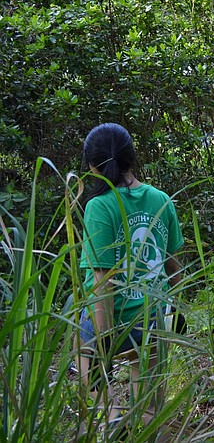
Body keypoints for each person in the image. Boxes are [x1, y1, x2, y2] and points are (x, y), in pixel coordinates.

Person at [77, 123, 184, 427]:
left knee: (79, 345)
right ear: (131, 158)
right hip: (154, 321)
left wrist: (101, 347)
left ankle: (111, 419)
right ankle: (145, 426)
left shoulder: (99, 206)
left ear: (92, 165)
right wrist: (176, 310)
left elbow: (102, 281)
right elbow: (173, 265)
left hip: (115, 323)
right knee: (151, 409)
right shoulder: (161, 199)